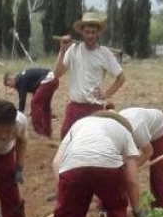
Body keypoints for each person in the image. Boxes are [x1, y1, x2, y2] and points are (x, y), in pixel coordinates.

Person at [53, 11, 125, 139]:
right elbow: (57, 74)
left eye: (93, 32)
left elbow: (121, 78)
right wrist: (62, 50)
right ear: (82, 32)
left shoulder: (104, 53)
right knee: (66, 139)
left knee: (93, 143)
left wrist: (106, 94)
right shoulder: (73, 50)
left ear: (98, 33)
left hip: (95, 109)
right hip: (75, 108)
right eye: (87, 32)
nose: (90, 35)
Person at [119, 107, 163, 209]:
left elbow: (148, 152)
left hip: (159, 131)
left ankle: (161, 207)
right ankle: (114, 203)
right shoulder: (114, 128)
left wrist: (134, 167)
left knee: (157, 171)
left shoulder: (137, 129)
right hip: (137, 129)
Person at [3, 67, 59, 137]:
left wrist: (20, 114)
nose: (10, 87)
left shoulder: (19, 80)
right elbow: (36, 89)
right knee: (45, 107)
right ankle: (47, 132)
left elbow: (22, 99)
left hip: (47, 80)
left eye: (8, 85)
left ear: (10, 79)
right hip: (53, 79)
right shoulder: (21, 77)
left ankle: (39, 132)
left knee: (35, 103)